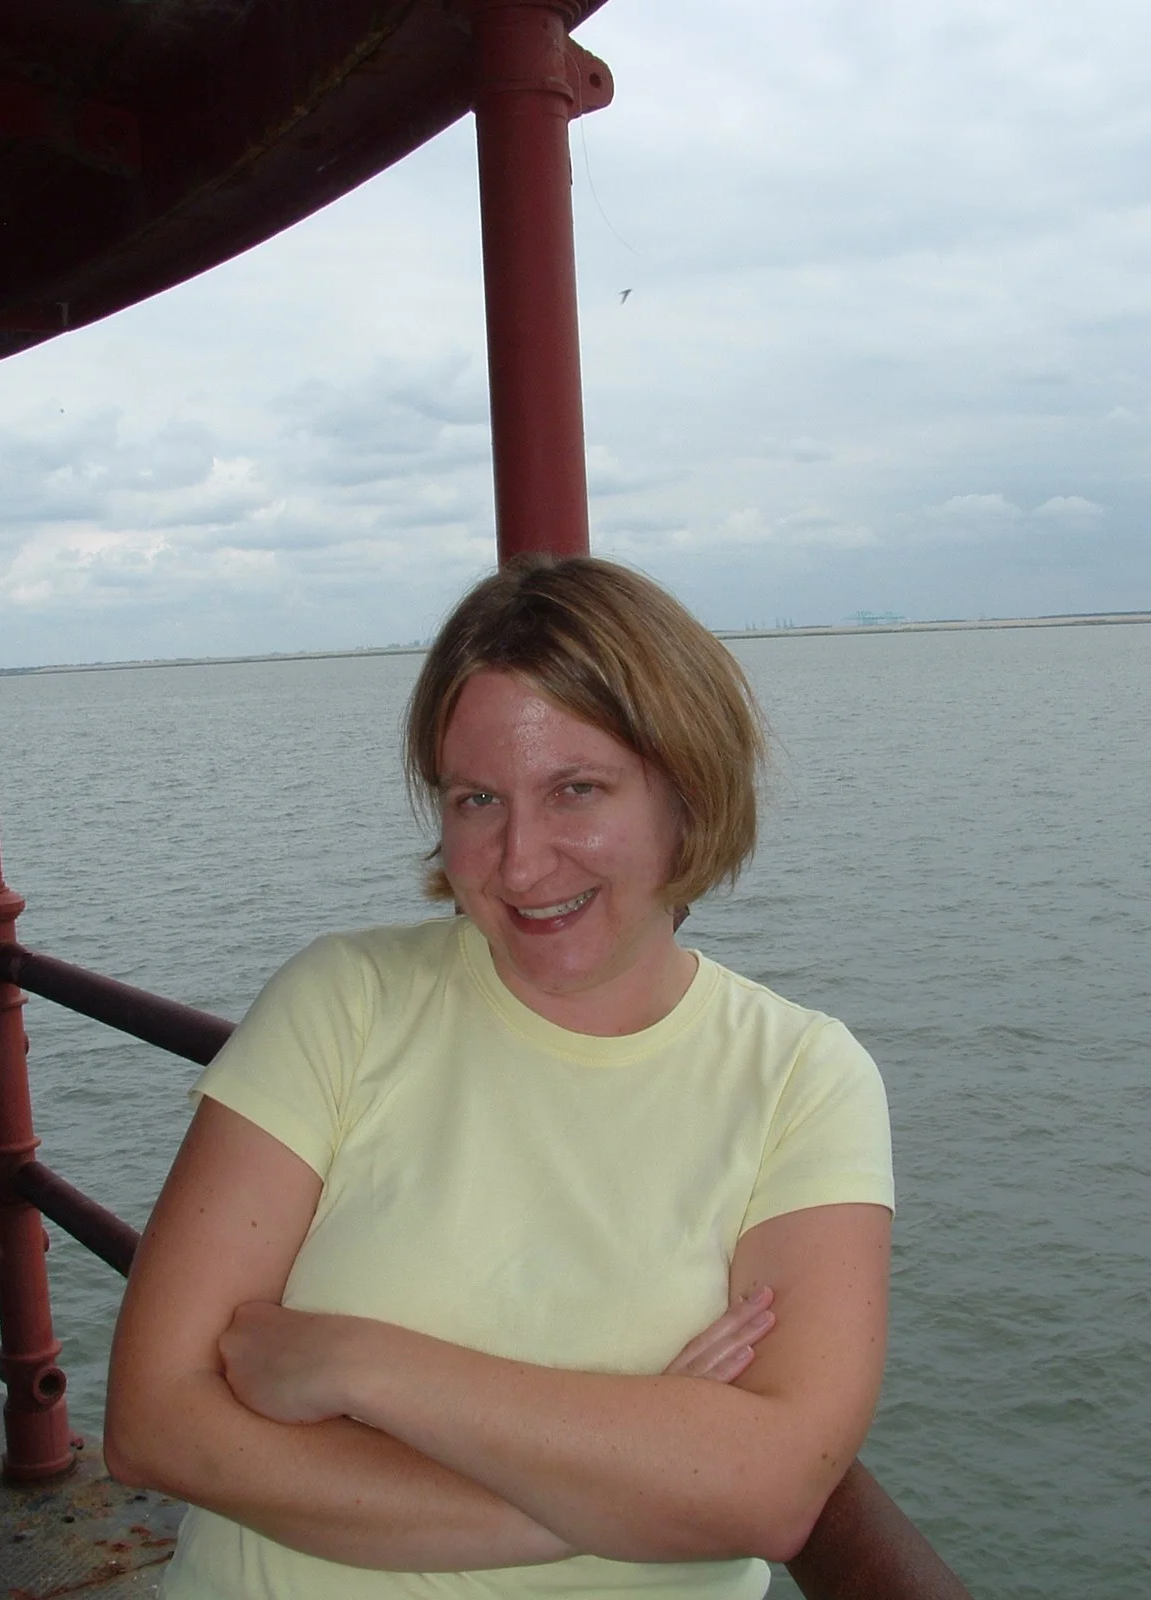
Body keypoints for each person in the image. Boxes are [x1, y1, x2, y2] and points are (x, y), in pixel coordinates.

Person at [105, 555, 894, 1600]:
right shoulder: (342, 1002)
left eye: (577, 789)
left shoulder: (803, 1077)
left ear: (686, 791)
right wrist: (611, 1494)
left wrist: (361, 1367)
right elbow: (156, 1422)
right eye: (479, 798)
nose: (521, 863)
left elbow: (769, 1488)